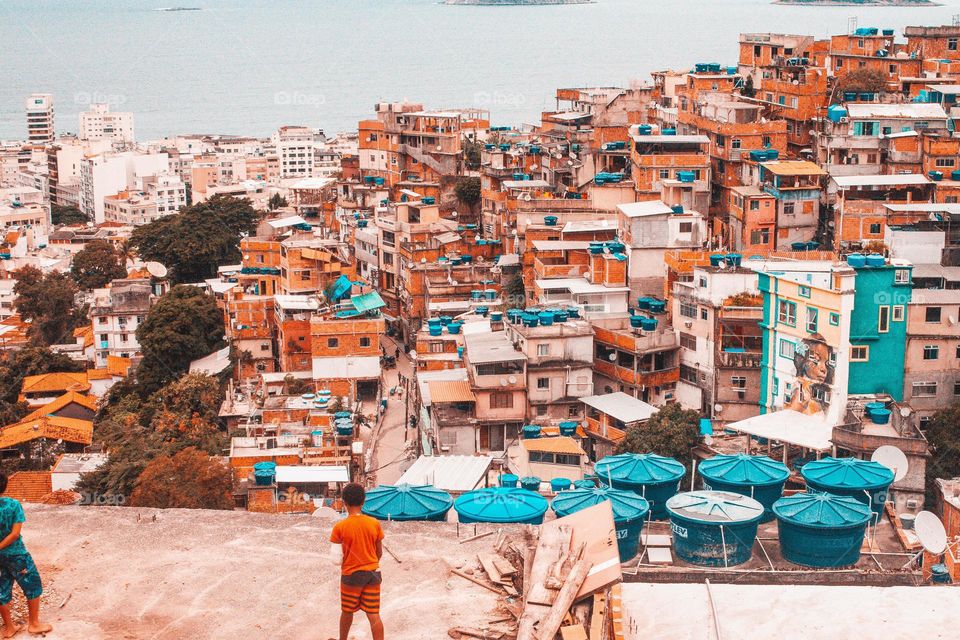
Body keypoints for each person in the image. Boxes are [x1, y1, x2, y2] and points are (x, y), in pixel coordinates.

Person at [329, 483, 384, 640]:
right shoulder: (374, 523)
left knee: (347, 611)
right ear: (363, 501)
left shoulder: (340, 527)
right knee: (374, 614)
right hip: (373, 574)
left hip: (351, 576)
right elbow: (378, 552)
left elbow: (336, 559)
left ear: (344, 502)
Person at [0, 472, 52, 637]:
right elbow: (15, 534)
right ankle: (34, 624)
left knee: (2, 590)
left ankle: (9, 628)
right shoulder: (13, 505)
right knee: (33, 585)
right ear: (5, 486)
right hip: (17, 555)